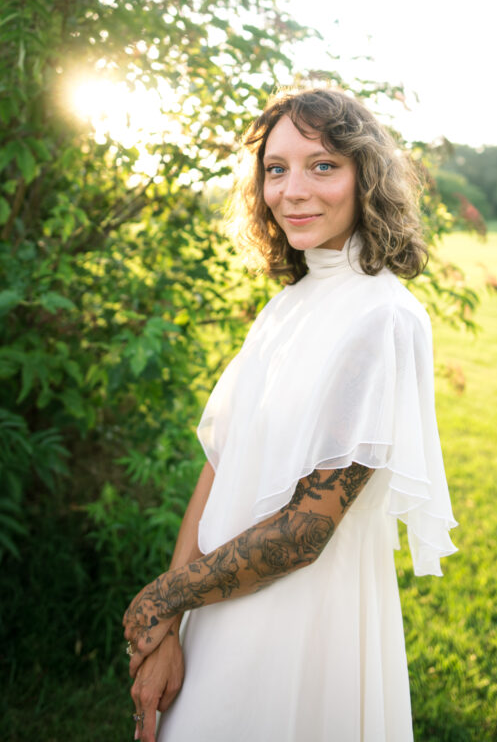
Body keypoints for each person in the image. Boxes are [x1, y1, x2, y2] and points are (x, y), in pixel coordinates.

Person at [123, 87, 457, 742]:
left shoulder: (380, 318)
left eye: (322, 165)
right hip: (211, 602)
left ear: (366, 176)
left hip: (299, 624)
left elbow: (305, 529)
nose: (292, 190)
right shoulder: (288, 304)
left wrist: (163, 597)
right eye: (276, 169)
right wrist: (168, 620)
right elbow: (221, 465)